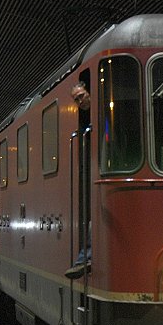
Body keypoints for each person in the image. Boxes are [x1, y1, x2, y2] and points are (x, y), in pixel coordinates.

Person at [65, 82, 92, 280]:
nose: (80, 101)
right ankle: (83, 259)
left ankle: (84, 259)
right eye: (76, 99)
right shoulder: (84, 120)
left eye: (81, 96)